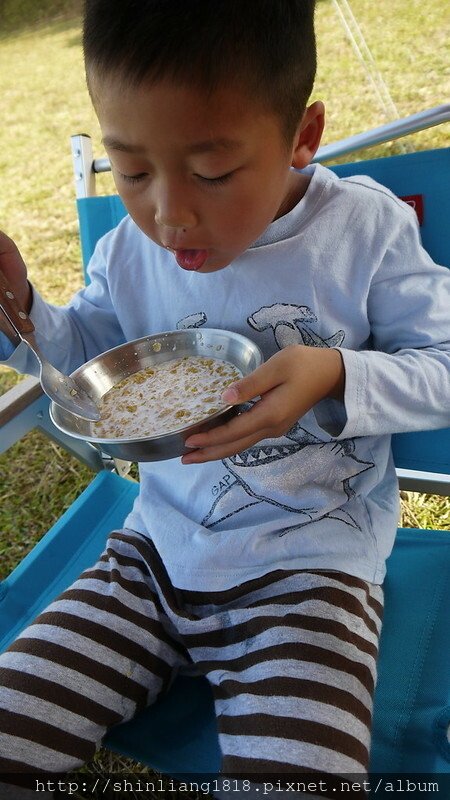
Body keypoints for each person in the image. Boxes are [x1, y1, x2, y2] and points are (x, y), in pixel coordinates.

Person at [0, 0, 449, 795]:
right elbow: (83, 362)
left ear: (302, 137)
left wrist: (338, 375)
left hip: (313, 572)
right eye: (132, 171)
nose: (168, 215)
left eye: (210, 172)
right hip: (151, 558)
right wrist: (23, 312)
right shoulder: (127, 251)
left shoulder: (366, 232)